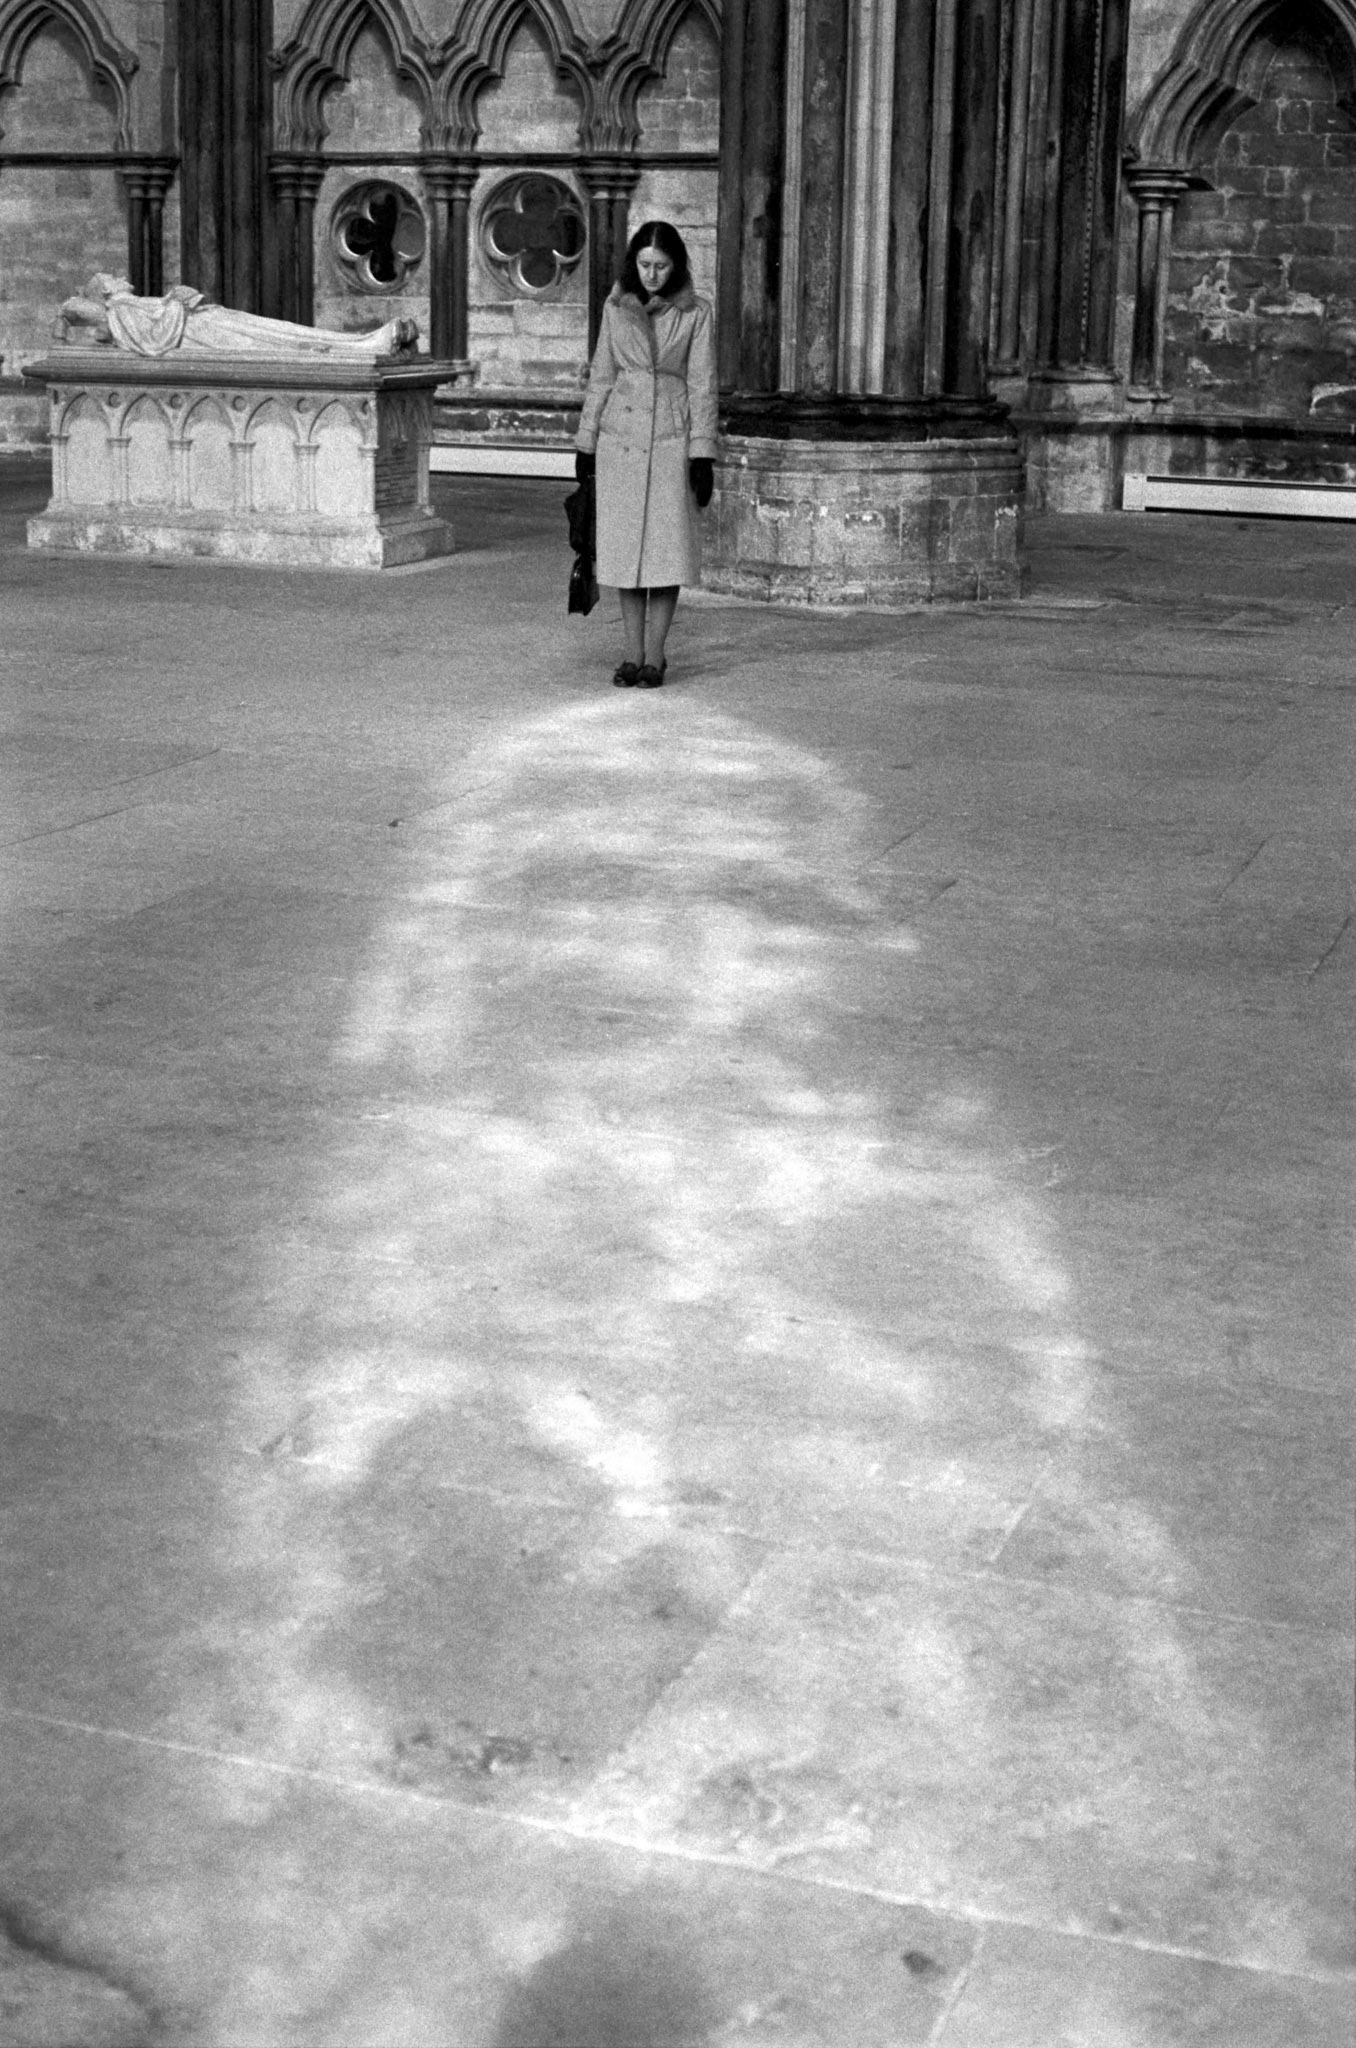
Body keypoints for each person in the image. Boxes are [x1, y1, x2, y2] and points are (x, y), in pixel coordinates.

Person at [574, 222, 718, 688]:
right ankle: (631, 654)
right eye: (644, 265)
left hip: (672, 439)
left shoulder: (696, 313)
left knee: (665, 551)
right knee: (624, 554)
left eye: (661, 265)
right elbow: (601, 375)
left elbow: (702, 384)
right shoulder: (616, 307)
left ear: (675, 266)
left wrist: (703, 453)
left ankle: (656, 656)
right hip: (621, 438)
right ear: (633, 263)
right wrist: (586, 443)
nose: (652, 274)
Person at [56, 275, 419, 360]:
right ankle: (365, 347)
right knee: (281, 342)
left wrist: (175, 302)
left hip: (209, 322)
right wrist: (177, 304)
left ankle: (362, 343)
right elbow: (152, 343)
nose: (121, 276)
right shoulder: (121, 307)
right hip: (203, 333)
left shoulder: (126, 306)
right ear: (105, 291)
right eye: (111, 276)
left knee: (284, 331)